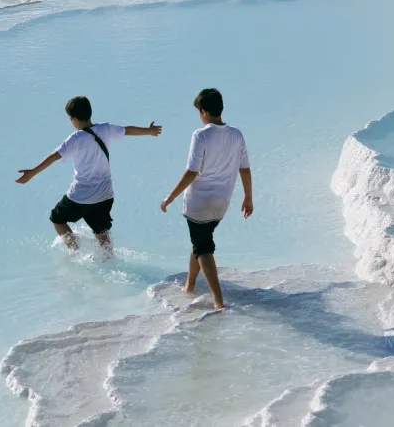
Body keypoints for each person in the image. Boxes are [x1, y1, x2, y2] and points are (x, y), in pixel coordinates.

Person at [17, 96, 162, 255]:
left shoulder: (75, 139)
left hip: (80, 196)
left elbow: (54, 156)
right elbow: (127, 130)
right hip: (105, 195)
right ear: (90, 113)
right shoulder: (105, 129)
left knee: (57, 219)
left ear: (72, 119)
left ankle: (76, 251)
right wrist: (150, 131)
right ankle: (108, 259)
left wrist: (32, 172)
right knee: (101, 233)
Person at [160, 88, 252, 310]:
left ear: (204, 112)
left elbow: (192, 172)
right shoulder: (237, 135)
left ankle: (218, 301)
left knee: (204, 249)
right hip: (221, 203)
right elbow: (245, 169)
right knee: (200, 242)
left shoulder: (200, 135)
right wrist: (248, 198)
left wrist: (170, 196)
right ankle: (190, 285)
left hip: (198, 204)